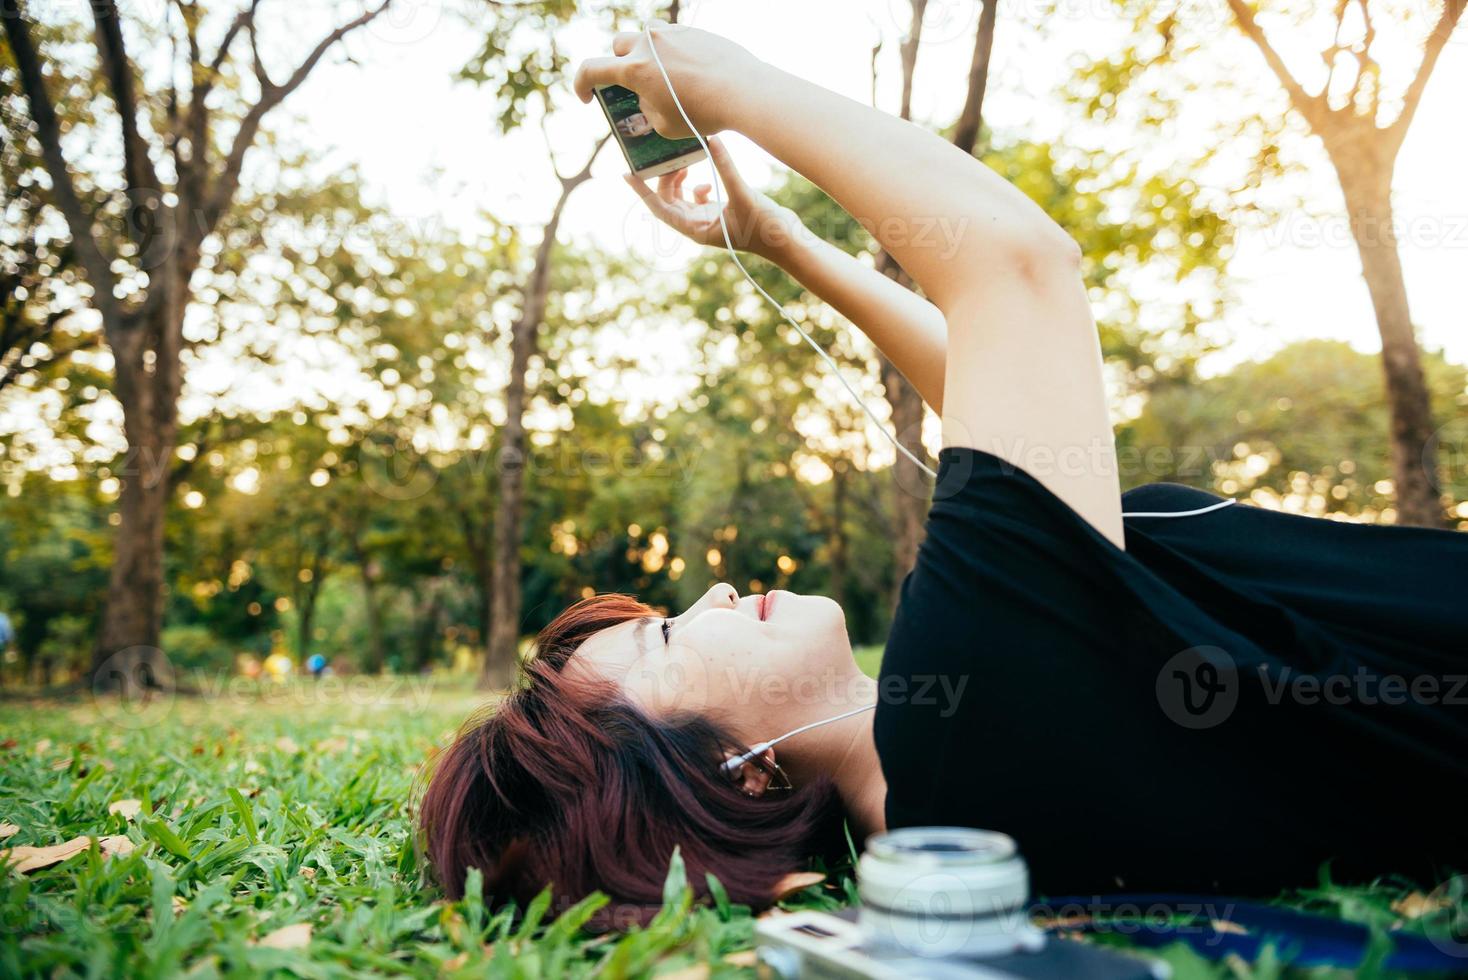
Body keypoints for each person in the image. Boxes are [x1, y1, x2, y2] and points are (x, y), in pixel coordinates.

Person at [419, 23, 1468, 928]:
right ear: (731, 771)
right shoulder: (954, 728)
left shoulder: (940, 775)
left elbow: (998, 394)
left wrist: (773, 238)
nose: (716, 592)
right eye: (664, 634)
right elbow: (1017, 265)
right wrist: (732, 87)